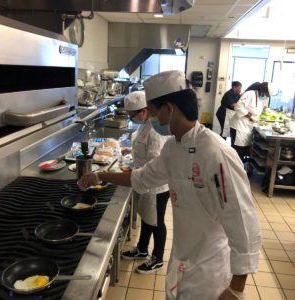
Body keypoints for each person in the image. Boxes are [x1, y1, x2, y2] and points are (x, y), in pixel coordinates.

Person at [78, 70, 261, 300]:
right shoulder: (173, 148)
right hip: (182, 258)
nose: (153, 119)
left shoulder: (216, 152)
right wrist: (101, 176)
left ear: (169, 109)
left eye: (153, 112)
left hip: (211, 272)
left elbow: (243, 220)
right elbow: (141, 178)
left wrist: (236, 288)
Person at [120, 91, 170, 274]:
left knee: (157, 221)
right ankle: (142, 249)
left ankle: (157, 258)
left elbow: (155, 162)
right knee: (147, 218)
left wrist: (135, 173)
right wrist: (130, 151)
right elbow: (142, 147)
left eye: (131, 115)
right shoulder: (145, 124)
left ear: (143, 111)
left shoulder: (156, 130)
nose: (130, 118)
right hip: (144, 181)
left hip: (156, 186)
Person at [229, 82, 272, 164]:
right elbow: (238, 107)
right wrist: (250, 116)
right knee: (237, 152)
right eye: (266, 95)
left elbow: (255, 110)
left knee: (243, 151)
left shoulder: (259, 98)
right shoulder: (249, 94)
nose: (266, 97)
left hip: (247, 128)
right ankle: (235, 172)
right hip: (239, 127)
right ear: (263, 91)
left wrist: (257, 118)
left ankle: (241, 170)